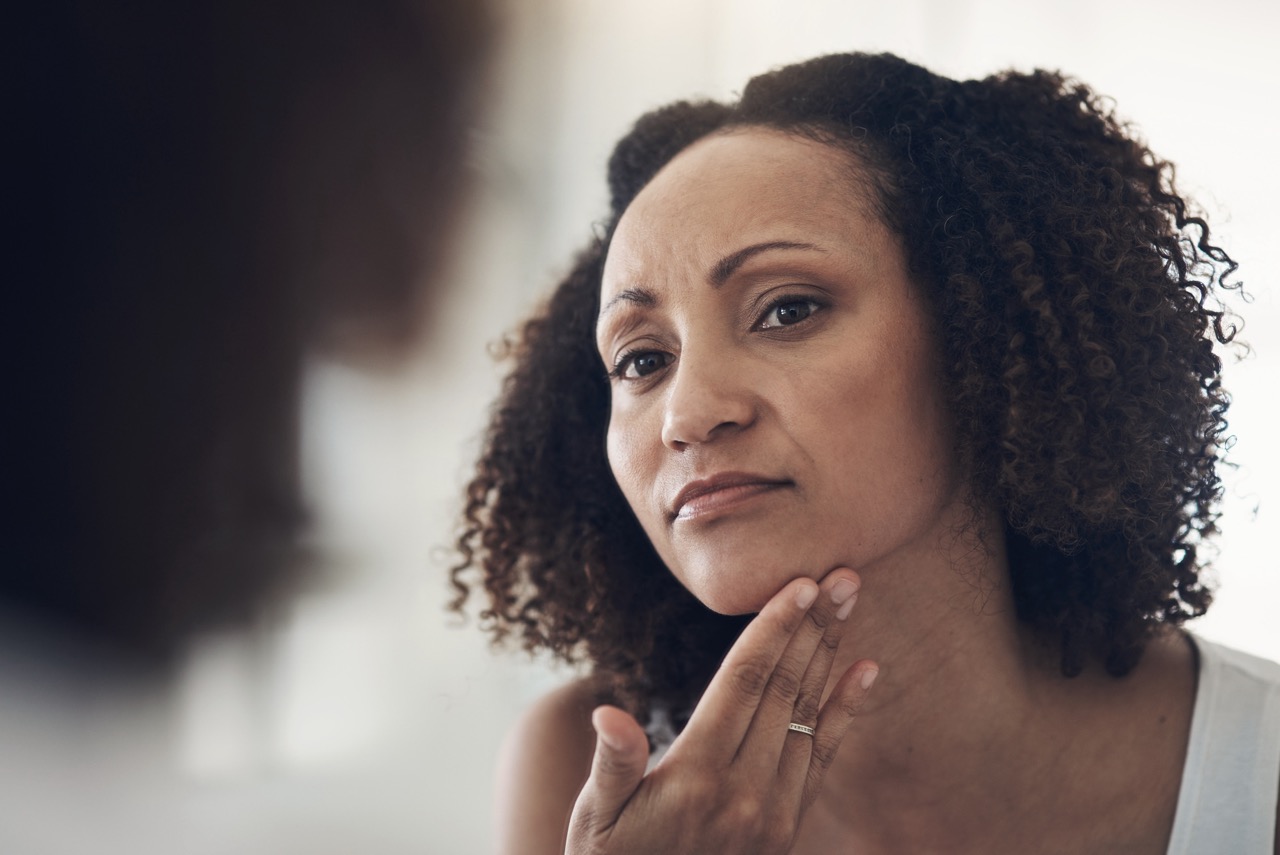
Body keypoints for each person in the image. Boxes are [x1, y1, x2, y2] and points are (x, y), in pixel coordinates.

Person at [451, 52, 1280, 853]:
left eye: (787, 309)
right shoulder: (585, 771)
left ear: (977, 332)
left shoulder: (1261, 769)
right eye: (641, 360)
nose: (688, 413)